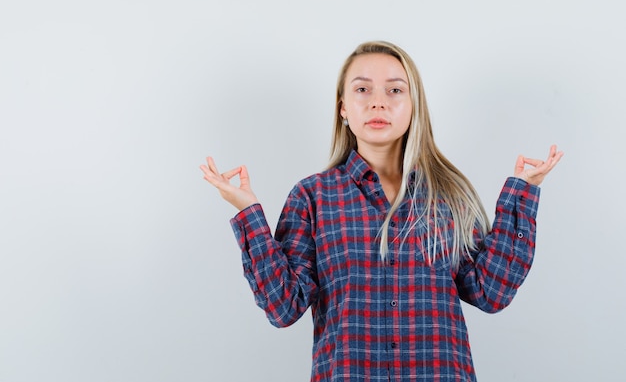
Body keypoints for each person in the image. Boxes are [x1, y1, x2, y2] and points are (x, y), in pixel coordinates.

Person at [200, 40, 563, 382]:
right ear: (342, 107)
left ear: (413, 104)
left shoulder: (447, 197)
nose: (378, 103)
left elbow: (491, 291)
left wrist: (524, 192)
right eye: (362, 89)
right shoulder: (312, 197)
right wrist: (247, 210)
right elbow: (283, 307)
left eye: (394, 90)